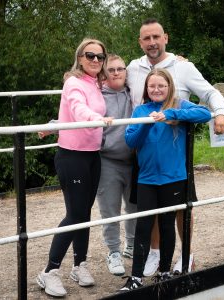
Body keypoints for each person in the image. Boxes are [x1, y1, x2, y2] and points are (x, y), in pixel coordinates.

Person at [126, 18, 224, 276]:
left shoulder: (183, 67)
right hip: (144, 149)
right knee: (149, 207)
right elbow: (110, 80)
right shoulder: (132, 67)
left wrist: (221, 113)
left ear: (166, 38)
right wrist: (75, 75)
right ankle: (155, 253)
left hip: (176, 152)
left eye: (156, 37)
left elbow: (210, 94)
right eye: (146, 38)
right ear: (140, 42)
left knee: (182, 207)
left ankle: (186, 254)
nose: (152, 43)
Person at [120, 68, 211, 291]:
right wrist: (146, 123)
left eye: (161, 85)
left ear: (169, 86)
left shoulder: (179, 105)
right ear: (146, 88)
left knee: (167, 225)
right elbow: (131, 141)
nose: (157, 89)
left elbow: (205, 114)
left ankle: (164, 272)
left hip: (173, 178)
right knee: (143, 226)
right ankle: (136, 277)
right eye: (152, 86)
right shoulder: (141, 109)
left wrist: (171, 114)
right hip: (147, 179)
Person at [36, 38, 113, 297]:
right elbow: (79, 110)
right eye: (90, 55)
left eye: (99, 57)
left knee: (84, 213)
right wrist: (98, 119)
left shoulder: (97, 83)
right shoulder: (73, 82)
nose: (95, 60)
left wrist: (53, 122)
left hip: (93, 156)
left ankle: (79, 265)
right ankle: (49, 272)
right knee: (75, 215)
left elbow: (69, 112)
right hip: (72, 156)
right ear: (80, 57)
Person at [96, 54, 137, 276]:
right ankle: (114, 252)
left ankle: (131, 245)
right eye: (111, 69)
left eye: (120, 69)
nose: (116, 73)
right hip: (108, 160)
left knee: (134, 207)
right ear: (104, 72)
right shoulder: (97, 96)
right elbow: (74, 111)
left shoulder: (133, 92)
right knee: (110, 209)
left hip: (133, 160)